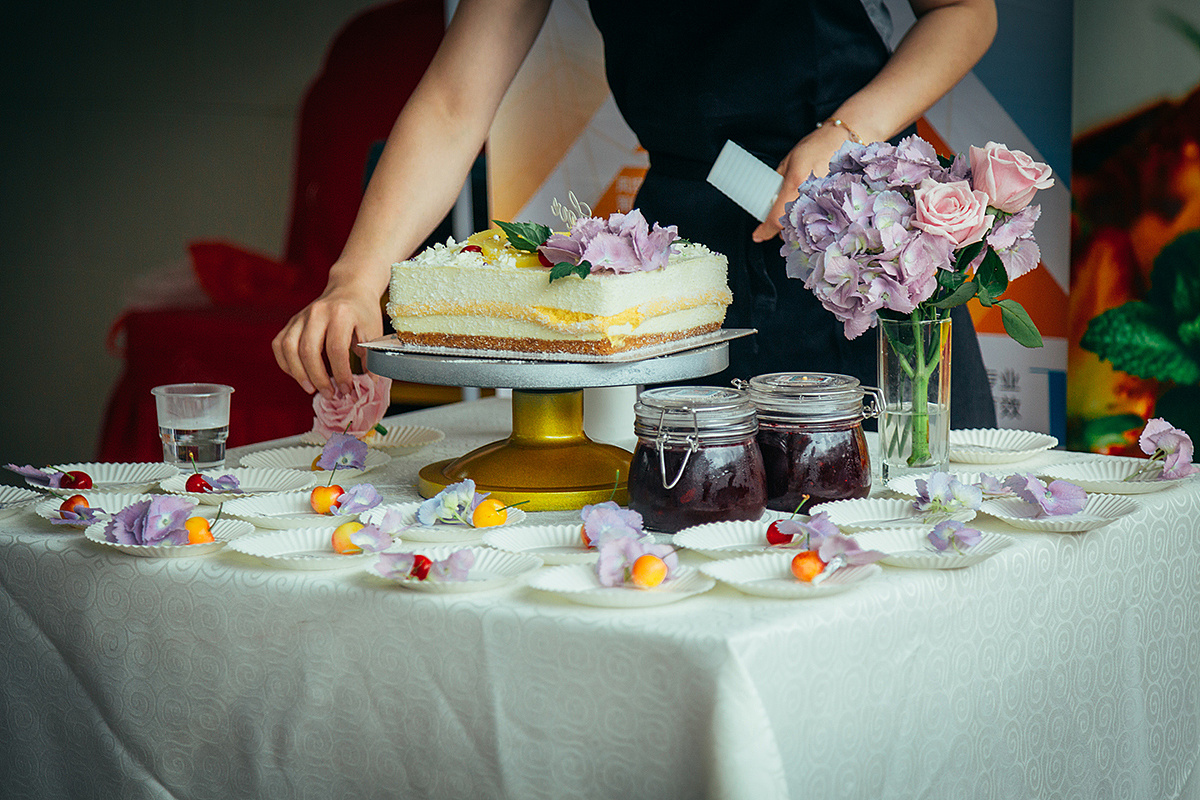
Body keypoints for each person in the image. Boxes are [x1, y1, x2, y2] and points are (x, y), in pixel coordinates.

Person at [272, 0, 999, 428]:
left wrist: (848, 129)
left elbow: (966, 10)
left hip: (854, 229)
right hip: (679, 265)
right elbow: (454, 102)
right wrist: (356, 277)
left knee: (914, 533)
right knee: (686, 535)